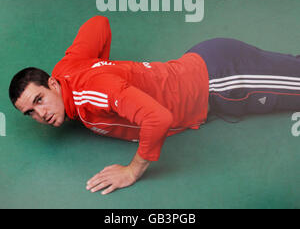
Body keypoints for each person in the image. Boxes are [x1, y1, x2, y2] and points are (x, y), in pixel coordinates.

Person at [9, 16, 300, 195]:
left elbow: (158, 118)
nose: (41, 114)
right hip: (202, 64)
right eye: (30, 113)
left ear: (53, 85)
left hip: (222, 81)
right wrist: (103, 66)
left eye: (39, 100)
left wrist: (131, 171)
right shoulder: (66, 68)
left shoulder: (93, 92)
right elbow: (98, 23)